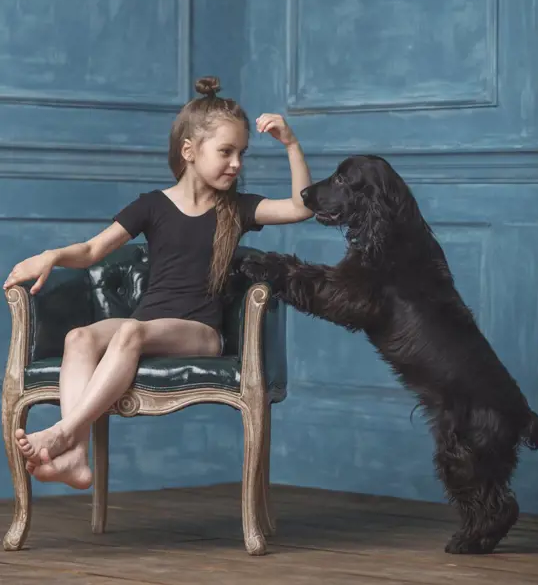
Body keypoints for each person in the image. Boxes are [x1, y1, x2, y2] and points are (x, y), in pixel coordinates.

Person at [3, 76, 313, 490]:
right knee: (79, 338)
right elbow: (93, 251)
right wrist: (52, 256)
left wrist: (291, 143)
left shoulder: (237, 209)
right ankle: (76, 458)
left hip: (200, 332)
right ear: (189, 150)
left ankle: (62, 433)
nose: (236, 163)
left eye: (242, 153)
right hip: (149, 323)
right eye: (226, 151)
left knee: (131, 330)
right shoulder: (152, 205)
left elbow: (300, 207)